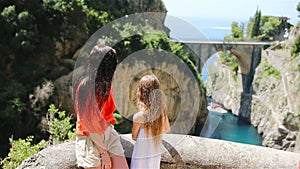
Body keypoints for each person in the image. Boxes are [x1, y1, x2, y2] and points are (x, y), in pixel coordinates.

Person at [74, 45, 129, 169]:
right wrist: (103, 153)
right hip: (89, 136)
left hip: (107, 132)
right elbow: (89, 125)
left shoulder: (106, 85)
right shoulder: (86, 87)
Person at [130, 74, 170, 169]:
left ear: (141, 92)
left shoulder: (139, 117)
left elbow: (134, 137)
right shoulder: (162, 111)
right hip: (154, 155)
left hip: (140, 156)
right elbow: (167, 129)